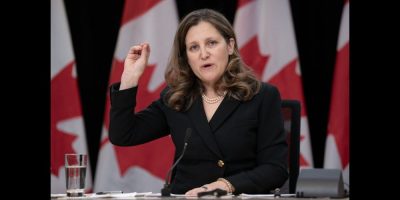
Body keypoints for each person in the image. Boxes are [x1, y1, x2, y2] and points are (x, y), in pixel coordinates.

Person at [108, 8, 288, 195]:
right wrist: (130, 78)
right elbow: (123, 135)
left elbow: (275, 169)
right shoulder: (176, 98)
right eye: (194, 47)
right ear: (186, 57)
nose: (203, 54)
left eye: (211, 43)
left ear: (230, 46)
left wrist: (225, 185)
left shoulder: (262, 96)